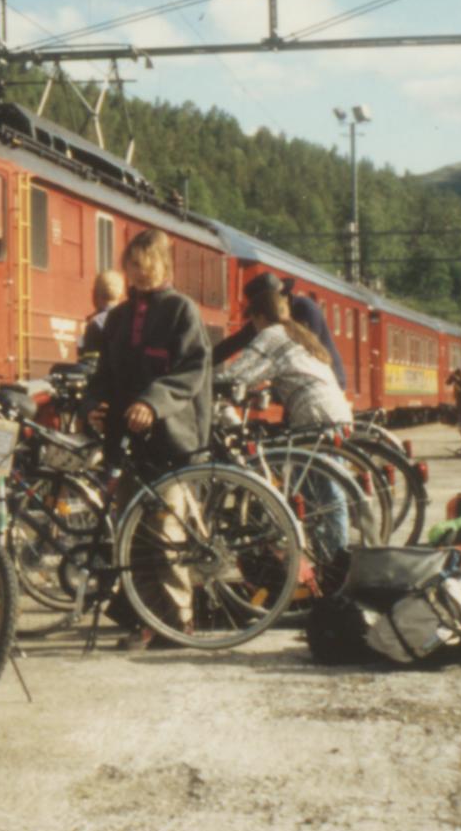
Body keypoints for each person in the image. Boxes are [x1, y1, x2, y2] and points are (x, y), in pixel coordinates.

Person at [82, 228, 212, 650]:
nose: (136, 272)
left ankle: (178, 621)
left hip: (172, 439)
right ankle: (145, 619)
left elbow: (192, 371)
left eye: (143, 264)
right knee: (131, 530)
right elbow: (104, 375)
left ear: (160, 264)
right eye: (130, 264)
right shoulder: (118, 318)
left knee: (166, 531)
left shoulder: (181, 311)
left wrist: (154, 402)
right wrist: (94, 407)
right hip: (129, 441)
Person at [213, 285, 353, 563]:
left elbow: (241, 373)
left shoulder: (271, 335)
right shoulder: (297, 332)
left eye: (252, 321)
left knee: (325, 495)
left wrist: (210, 383)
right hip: (335, 412)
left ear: (259, 316)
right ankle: (331, 556)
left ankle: (337, 559)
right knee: (322, 494)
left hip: (315, 416)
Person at [213, 272, 346, 388]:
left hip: (328, 378)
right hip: (301, 379)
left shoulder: (306, 308)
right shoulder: (268, 318)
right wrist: (202, 361)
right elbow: (235, 342)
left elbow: (306, 351)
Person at [78, 269, 126, 359]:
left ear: (95, 293)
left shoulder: (95, 323)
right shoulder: (127, 318)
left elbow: (84, 354)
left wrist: (80, 338)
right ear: (120, 293)